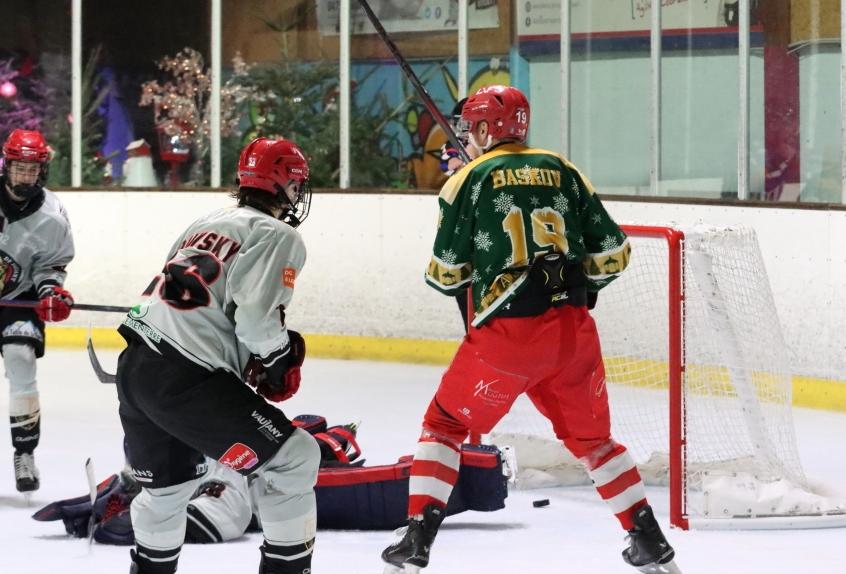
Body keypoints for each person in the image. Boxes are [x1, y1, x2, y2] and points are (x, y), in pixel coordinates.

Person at [381, 85, 680, 574]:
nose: (466, 136)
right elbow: (614, 254)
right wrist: (584, 285)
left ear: (484, 129)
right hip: (573, 335)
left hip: (509, 339)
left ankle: (416, 538)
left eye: (471, 127)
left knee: (445, 425)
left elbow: (445, 274)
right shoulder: (564, 169)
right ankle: (648, 539)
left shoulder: (468, 179)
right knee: (595, 443)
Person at [115, 137, 320, 574]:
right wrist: (278, 358)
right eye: (295, 184)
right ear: (283, 184)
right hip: (186, 379)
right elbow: (256, 321)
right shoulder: (277, 234)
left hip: (135, 365)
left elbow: (199, 299)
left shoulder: (206, 222)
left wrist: (247, 357)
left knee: (168, 489)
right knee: (296, 457)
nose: (297, 193)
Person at [0, 129, 75, 494]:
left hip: (18, 299)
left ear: (41, 171)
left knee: (21, 360)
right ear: (7, 166)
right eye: (19, 168)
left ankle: (25, 453)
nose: (25, 176)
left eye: (32, 170)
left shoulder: (52, 216)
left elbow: (51, 266)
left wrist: (50, 291)